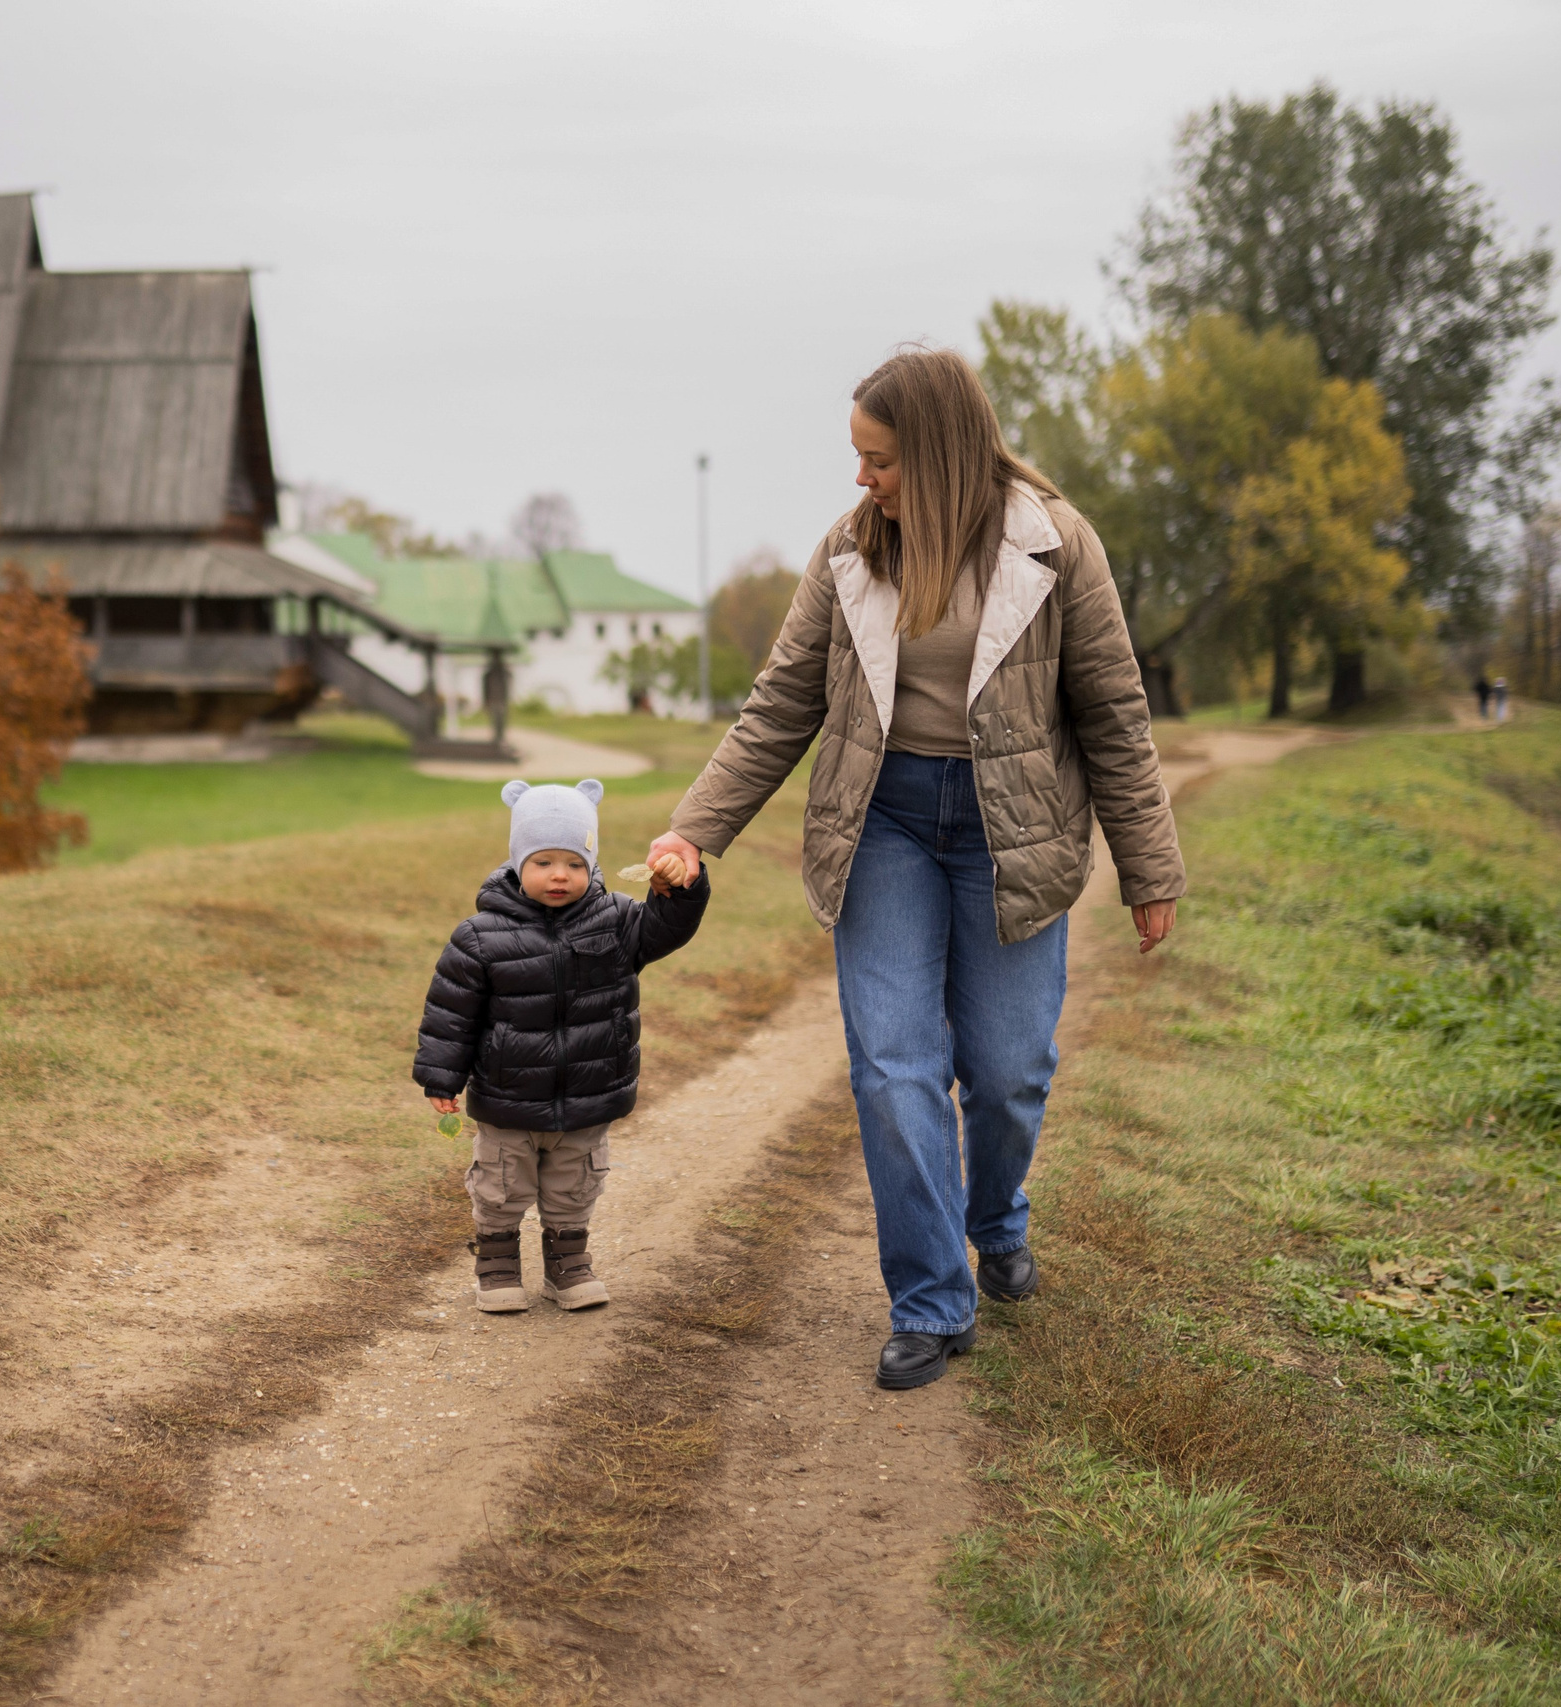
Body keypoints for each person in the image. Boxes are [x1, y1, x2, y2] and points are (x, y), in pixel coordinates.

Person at [644, 348, 1185, 1391]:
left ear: (935, 455)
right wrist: (692, 830)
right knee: (894, 1067)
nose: (861, 481)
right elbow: (780, 705)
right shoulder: (848, 553)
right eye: (857, 458)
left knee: (1008, 1070)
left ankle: (995, 1217)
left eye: (878, 460)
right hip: (884, 821)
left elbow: (1114, 718)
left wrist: (1148, 868)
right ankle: (933, 1300)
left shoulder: (1055, 545)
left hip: (1008, 831)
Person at [415, 779, 709, 1312]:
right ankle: (498, 1267)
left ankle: (568, 1266)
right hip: (509, 1096)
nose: (559, 875)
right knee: (500, 1186)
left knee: (575, 1185)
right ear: (516, 863)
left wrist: (679, 891)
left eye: (574, 863)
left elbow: (669, 928)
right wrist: (442, 1076)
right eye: (544, 861)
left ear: (592, 865)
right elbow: (451, 1012)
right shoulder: (479, 937)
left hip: (589, 1091)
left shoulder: (619, 922)